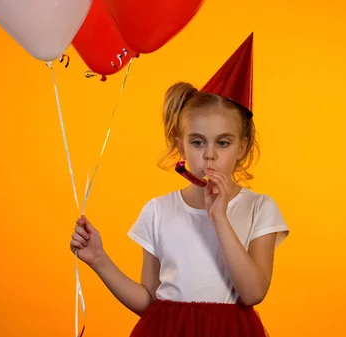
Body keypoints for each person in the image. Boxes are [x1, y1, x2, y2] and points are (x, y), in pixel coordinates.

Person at [70, 33, 289, 337]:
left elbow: (253, 293)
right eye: (197, 142)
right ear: (180, 146)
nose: (209, 154)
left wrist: (219, 217)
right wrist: (99, 260)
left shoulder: (260, 209)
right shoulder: (159, 211)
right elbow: (149, 302)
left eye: (223, 143)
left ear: (242, 147)